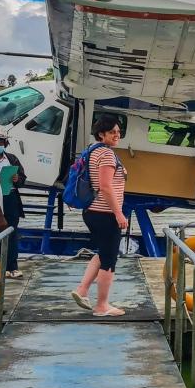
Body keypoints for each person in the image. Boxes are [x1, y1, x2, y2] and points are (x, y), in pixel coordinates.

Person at [70, 114, 128, 317]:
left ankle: (82, 290)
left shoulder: (91, 151)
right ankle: (102, 305)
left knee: (103, 252)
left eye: (118, 132)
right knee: (110, 259)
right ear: (101, 134)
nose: (116, 135)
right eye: (112, 132)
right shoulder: (107, 155)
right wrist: (119, 214)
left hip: (93, 211)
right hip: (105, 213)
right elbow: (105, 187)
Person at [0, 135, 25, 279]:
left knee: (11, 231)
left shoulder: (11, 158)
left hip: (10, 196)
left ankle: (12, 267)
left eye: (0, 143)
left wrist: (17, 179)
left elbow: (23, 178)